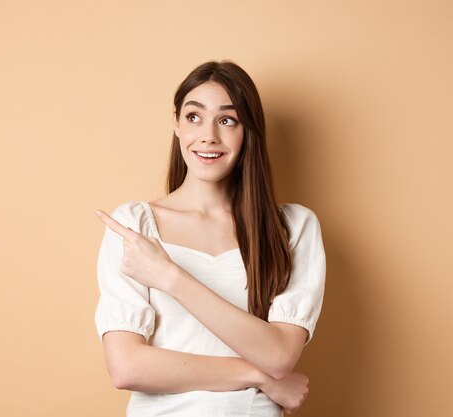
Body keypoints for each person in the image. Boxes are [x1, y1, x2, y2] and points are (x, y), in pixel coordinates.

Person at [94, 60, 326, 417]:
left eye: (227, 120)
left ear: (248, 130)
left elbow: (279, 356)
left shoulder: (292, 228)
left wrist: (171, 277)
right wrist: (256, 375)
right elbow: (126, 367)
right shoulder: (136, 225)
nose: (208, 136)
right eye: (194, 117)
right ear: (176, 123)